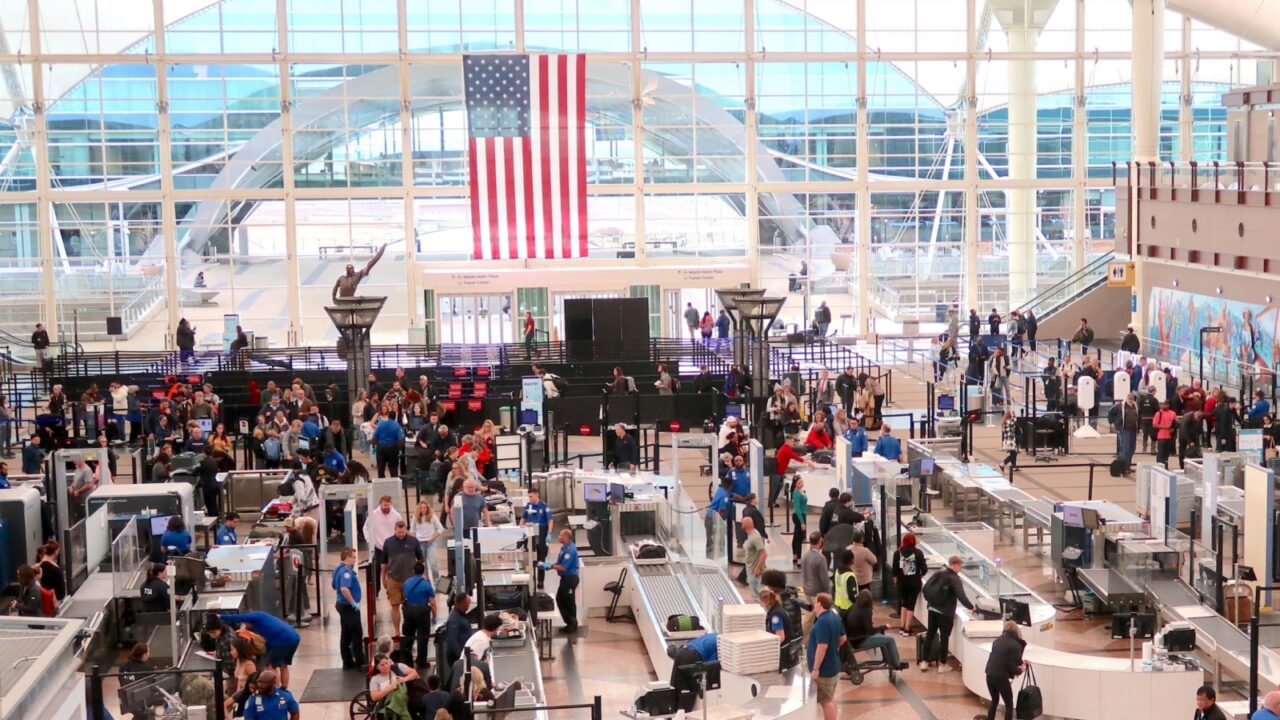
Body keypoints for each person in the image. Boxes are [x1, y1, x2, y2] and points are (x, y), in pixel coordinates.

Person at [920, 555, 974, 672]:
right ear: (955, 565)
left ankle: (924, 661)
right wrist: (971, 607)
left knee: (930, 634)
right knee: (944, 638)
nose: (960, 569)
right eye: (960, 566)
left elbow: (926, 588)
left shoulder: (938, 573)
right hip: (945, 612)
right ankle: (942, 664)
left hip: (932, 608)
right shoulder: (954, 579)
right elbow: (961, 596)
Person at [221, 611, 302, 688]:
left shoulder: (255, 617)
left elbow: (239, 617)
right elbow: (268, 639)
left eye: (246, 623)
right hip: (294, 637)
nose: (246, 625)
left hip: (282, 641)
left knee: (270, 666)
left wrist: (221, 617)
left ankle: (276, 691)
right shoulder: (264, 618)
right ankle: (284, 689)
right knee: (284, 665)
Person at [845, 589, 908, 671]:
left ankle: (891, 661)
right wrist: (883, 627)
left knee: (884, 638)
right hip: (861, 640)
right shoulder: (866, 611)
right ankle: (897, 664)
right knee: (890, 640)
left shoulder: (854, 607)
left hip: (853, 638)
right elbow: (870, 631)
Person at [806, 593, 845, 720]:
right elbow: (843, 638)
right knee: (829, 697)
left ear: (820, 603)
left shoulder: (822, 622)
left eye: (816, 602)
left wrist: (816, 669)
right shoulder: (834, 617)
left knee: (825, 701)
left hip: (824, 669)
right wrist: (834, 647)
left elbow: (822, 647)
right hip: (834, 664)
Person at [980, 621, 1028, 720]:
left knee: (994, 700)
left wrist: (1021, 662)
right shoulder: (1016, 645)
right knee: (1009, 705)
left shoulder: (997, 641)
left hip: (989, 674)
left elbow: (1003, 658)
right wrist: (1021, 669)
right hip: (1001, 677)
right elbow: (1012, 667)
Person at [383, 520, 423, 636]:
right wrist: (383, 578)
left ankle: (409, 630)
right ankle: (396, 631)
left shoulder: (414, 541)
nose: (401, 534)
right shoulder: (388, 543)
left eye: (402, 532)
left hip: (410, 581)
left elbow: (420, 560)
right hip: (393, 579)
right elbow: (384, 563)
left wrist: (421, 576)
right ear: (395, 530)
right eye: (398, 532)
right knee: (395, 606)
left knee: (410, 606)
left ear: (406, 529)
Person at [331, 547, 366, 669]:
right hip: (348, 607)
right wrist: (353, 602)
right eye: (354, 557)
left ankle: (347, 660)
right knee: (356, 633)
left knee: (345, 632)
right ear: (347, 557)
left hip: (342, 605)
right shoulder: (345, 572)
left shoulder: (337, 569)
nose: (355, 560)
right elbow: (344, 589)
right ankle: (359, 660)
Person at [363, 495, 403, 596]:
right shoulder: (373, 514)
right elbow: (365, 528)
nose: (386, 507)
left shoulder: (397, 515)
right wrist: (369, 541)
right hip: (378, 547)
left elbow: (401, 528)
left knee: (392, 570)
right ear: (380, 504)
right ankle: (376, 591)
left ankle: (391, 590)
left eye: (388, 505)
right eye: (384, 505)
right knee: (376, 569)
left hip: (392, 547)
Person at [400, 561, 436, 667]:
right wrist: (434, 616)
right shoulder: (426, 584)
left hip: (408, 611)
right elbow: (433, 603)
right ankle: (421, 662)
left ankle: (405, 661)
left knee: (408, 636)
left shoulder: (406, 583)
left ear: (413, 571)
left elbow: (404, 597)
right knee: (422, 637)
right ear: (423, 571)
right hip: (422, 612)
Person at [892, 533, 927, 636]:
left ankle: (902, 627)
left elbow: (894, 571)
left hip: (902, 583)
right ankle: (907, 629)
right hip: (914, 583)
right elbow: (924, 569)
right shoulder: (918, 553)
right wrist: (919, 577)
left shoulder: (897, 553)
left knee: (904, 604)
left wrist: (896, 582)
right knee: (911, 605)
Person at [521, 488, 552, 588]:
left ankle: (540, 581)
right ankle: (530, 579)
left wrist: (549, 533)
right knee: (528, 558)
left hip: (541, 533)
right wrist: (519, 528)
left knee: (541, 558)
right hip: (530, 533)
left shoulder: (544, 506)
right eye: (528, 496)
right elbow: (523, 518)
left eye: (531, 496)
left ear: (537, 495)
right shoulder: (528, 505)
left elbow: (550, 520)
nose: (529, 498)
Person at [551, 528, 580, 633]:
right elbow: (559, 563)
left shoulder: (570, 550)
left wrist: (551, 566)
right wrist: (551, 565)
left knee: (569, 601)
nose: (558, 537)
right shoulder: (564, 547)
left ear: (566, 537)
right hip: (565, 579)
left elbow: (563, 567)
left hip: (570, 579)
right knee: (560, 599)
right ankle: (570, 621)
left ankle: (572, 623)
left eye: (560, 535)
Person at [226, 636, 260, 717]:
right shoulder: (238, 661)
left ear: (239, 650)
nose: (231, 652)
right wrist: (236, 697)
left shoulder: (249, 665)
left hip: (248, 696)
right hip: (240, 695)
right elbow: (239, 681)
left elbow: (255, 681)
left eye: (233, 649)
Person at [412, 500, 445, 583]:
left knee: (433, 563)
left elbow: (440, 528)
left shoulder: (432, 516)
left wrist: (433, 537)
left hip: (431, 543)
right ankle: (426, 580)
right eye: (421, 508)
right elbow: (412, 530)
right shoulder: (415, 517)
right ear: (419, 509)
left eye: (425, 507)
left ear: (427, 508)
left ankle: (437, 580)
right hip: (420, 543)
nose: (423, 509)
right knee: (423, 564)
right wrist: (415, 540)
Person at [373, 414, 405, 479]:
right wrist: (400, 450)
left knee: (381, 469)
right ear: (395, 417)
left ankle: (382, 484)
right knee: (393, 469)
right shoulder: (397, 425)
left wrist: (374, 447)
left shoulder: (381, 424)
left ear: (388, 417)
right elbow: (400, 439)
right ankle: (394, 484)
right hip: (392, 448)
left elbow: (375, 437)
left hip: (381, 448)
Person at [741, 516, 767, 598]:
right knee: (754, 593)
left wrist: (757, 568)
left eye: (742, 523)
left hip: (753, 569)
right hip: (750, 567)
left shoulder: (755, 537)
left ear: (745, 525)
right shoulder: (751, 535)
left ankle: (761, 608)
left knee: (756, 594)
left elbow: (764, 553)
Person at [705, 477, 731, 557]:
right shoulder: (725, 496)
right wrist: (721, 522)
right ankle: (720, 551)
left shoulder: (720, 490)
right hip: (714, 518)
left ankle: (709, 549)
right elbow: (721, 510)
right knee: (720, 534)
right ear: (730, 486)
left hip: (708, 515)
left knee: (709, 535)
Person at [1153, 399, 1178, 468]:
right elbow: (1154, 425)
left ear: (1168, 405)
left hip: (1169, 437)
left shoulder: (1173, 413)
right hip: (1161, 436)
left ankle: (1165, 466)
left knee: (1166, 454)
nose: (1163, 406)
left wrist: (1173, 428)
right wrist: (1166, 427)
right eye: (1162, 404)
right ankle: (1159, 466)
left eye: (1165, 404)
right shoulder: (1158, 414)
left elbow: (1176, 423)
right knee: (1160, 453)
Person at [789, 476, 808, 565]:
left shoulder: (800, 491)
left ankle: (795, 556)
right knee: (799, 538)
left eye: (802, 481)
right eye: (799, 482)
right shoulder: (796, 493)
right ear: (795, 484)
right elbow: (797, 509)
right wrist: (802, 522)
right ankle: (799, 558)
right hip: (798, 516)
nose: (801, 483)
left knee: (796, 536)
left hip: (801, 514)